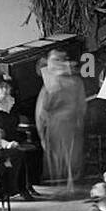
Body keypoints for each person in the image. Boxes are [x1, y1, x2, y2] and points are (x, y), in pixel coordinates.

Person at [35, 49, 86, 191]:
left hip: (62, 123)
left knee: (65, 154)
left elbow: (42, 109)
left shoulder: (57, 83)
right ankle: (66, 184)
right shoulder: (69, 82)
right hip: (62, 123)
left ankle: (66, 184)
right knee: (65, 154)